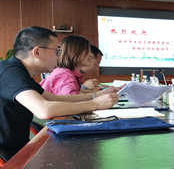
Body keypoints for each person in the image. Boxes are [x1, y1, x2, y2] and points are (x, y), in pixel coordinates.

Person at [0, 26, 119, 160]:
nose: (59, 57)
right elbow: (44, 110)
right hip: (9, 158)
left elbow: (52, 98)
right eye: (57, 51)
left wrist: (95, 96)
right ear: (37, 52)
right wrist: (94, 104)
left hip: (17, 150)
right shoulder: (10, 73)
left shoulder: (19, 72)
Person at [40, 36, 120, 96]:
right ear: (75, 53)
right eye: (88, 51)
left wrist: (101, 93)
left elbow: (75, 96)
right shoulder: (66, 77)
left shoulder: (66, 73)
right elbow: (71, 104)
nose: (91, 55)